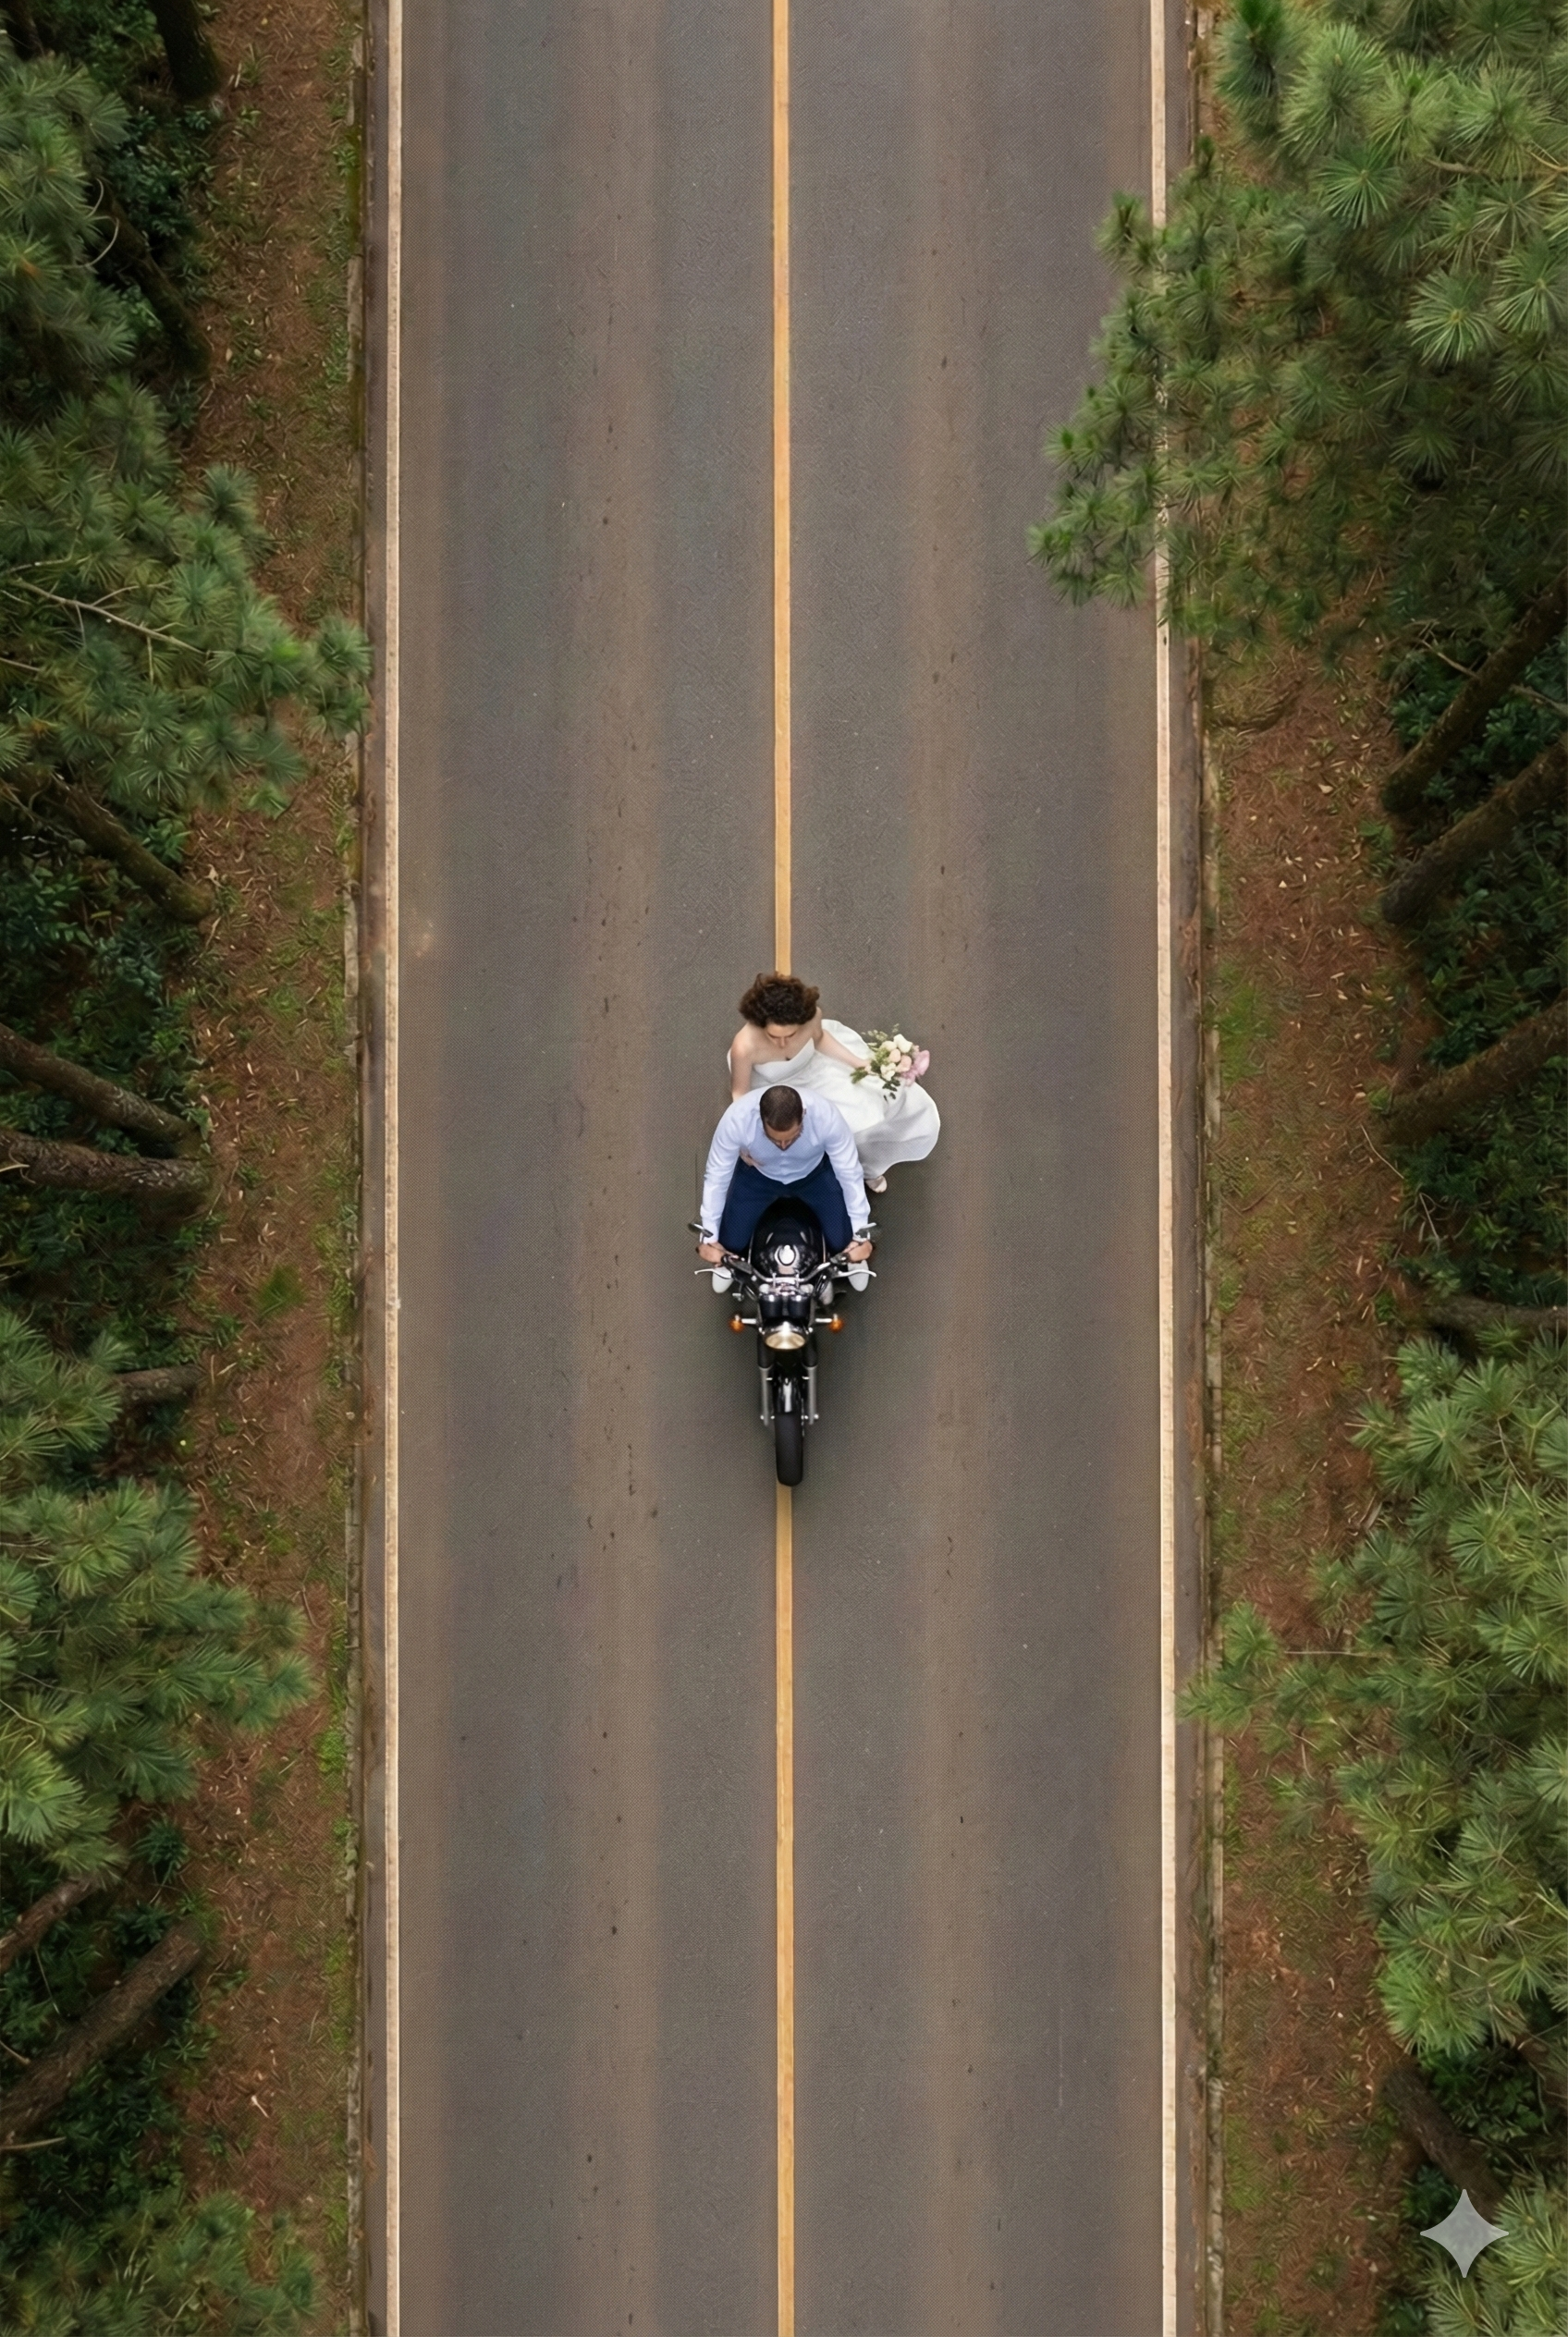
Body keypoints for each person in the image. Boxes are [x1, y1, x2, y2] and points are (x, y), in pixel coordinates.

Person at [727, 972, 938, 1193]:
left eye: (791, 1035)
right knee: (828, 1134)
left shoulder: (811, 1017)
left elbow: (820, 1040)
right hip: (782, 1091)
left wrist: (858, 1063)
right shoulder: (744, 1046)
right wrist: (744, 1136)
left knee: (879, 1108)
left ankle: (869, 1168)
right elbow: (739, 1094)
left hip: (818, 1073)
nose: (782, 1043)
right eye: (773, 1036)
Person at [698, 1083, 875, 1270]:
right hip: (758, 1177)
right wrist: (710, 1239)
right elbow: (716, 1177)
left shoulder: (827, 1116)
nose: (783, 1146)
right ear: (760, 1118)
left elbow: (849, 1173)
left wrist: (860, 1236)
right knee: (730, 1243)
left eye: (791, 1138)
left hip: (815, 1176)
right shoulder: (736, 1119)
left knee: (842, 1243)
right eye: (774, 1139)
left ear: (803, 1115)